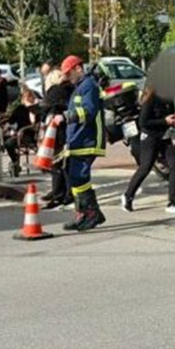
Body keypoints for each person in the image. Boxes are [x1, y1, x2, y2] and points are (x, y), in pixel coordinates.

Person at [121, 85, 175, 215]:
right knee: (145, 167)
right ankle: (128, 195)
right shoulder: (152, 98)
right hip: (150, 137)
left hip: (166, 135)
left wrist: (173, 119)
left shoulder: (170, 98)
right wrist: (164, 120)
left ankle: (173, 202)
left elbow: (169, 116)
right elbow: (143, 122)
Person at [60, 55, 106, 232]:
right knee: (74, 176)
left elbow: (89, 111)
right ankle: (84, 213)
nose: (67, 76)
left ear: (78, 68)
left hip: (88, 140)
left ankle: (90, 213)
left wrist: (66, 117)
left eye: (69, 72)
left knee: (79, 177)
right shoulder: (80, 86)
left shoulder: (89, 86)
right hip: (79, 139)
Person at [39, 67, 74, 209]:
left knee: (57, 163)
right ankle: (64, 193)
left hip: (57, 130)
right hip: (68, 128)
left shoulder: (54, 91)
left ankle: (59, 193)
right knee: (65, 163)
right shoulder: (71, 89)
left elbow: (45, 109)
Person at [1, 87, 42, 178]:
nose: (28, 99)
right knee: (7, 142)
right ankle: (15, 161)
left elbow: (34, 123)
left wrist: (31, 108)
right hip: (19, 134)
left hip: (30, 135)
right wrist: (6, 128)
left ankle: (16, 162)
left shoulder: (36, 109)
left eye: (30, 97)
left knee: (10, 142)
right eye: (26, 97)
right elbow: (11, 121)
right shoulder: (20, 108)